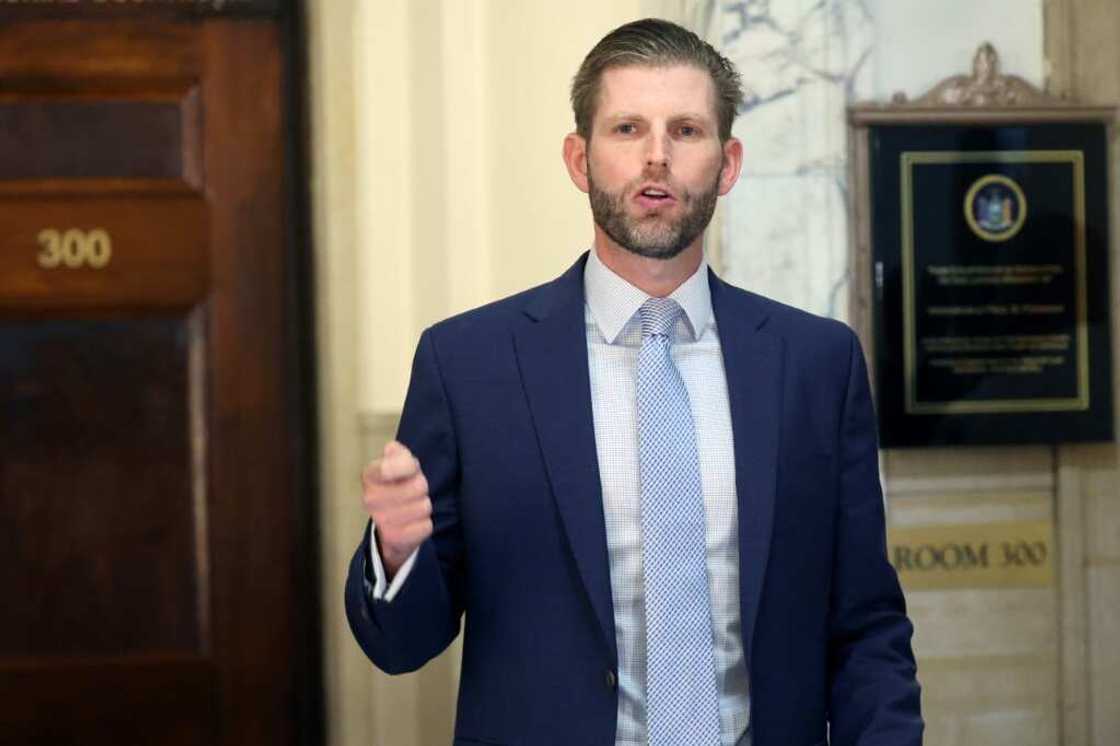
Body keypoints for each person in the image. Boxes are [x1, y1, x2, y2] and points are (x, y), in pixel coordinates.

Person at [345, 17, 922, 746]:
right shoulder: (470, 365)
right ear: (579, 160)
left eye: (685, 130)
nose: (657, 158)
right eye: (626, 129)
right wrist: (398, 554)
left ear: (728, 162)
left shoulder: (816, 363)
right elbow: (401, 647)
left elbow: (866, 622)